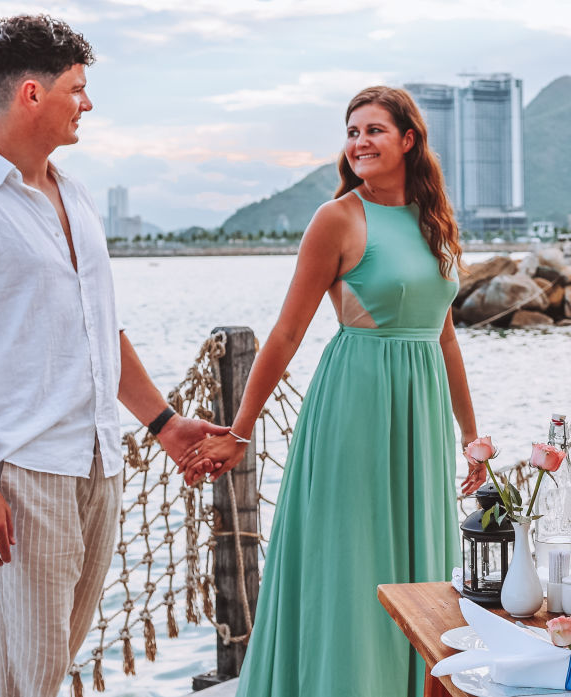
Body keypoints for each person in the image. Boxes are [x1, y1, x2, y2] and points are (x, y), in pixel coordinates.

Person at [0, 15, 227, 697]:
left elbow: (101, 327)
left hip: (97, 461)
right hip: (22, 471)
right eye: (77, 88)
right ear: (30, 94)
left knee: (46, 668)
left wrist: (164, 424)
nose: (89, 103)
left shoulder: (75, 196)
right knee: (21, 677)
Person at [177, 86, 490, 696]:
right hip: (357, 405)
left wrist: (470, 433)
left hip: (420, 412)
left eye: (374, 129)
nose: (359, 142)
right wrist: (240, 430)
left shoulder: (437, 223)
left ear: (408, 140)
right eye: (352, 131)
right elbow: (287, 333)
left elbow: (445, 338)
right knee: (355, 556)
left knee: (420, 561)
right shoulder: (339, 218)